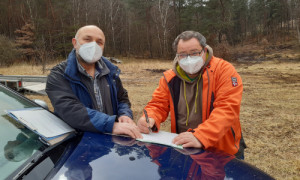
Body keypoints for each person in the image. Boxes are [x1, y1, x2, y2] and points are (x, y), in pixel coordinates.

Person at [137, 30, 246, 158]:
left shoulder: (224, 71)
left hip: (221, 150)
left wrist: (201, 136)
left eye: (194, 53)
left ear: (204, 51)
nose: (189, 59)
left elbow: (227, 109)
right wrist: (149, 118)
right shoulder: (169, 78)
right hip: (185, 146)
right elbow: (158, 104)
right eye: (183, 54)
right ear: (177, 56)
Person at [46, 25, 141, 139]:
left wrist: (125, 114)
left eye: (99, 42)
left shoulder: (110, 72)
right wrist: (110, 125)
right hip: (77, 144)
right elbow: (68, 109)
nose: (94, 45)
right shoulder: (59, 74)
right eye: (87, 39)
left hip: (110, 142)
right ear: (75, 43)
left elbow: (122, 98)